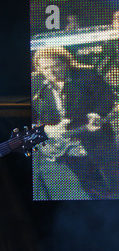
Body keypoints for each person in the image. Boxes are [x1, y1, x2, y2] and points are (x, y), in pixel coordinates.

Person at [32, 46, 119, 200]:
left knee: (114, 181)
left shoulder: (87, 74)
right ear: (39, 69)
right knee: (90, 186)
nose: (51, 72)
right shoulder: (37, 86)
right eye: (45, 68)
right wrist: (46, 134)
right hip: (66, 148)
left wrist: (97, 114)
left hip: (97, 141)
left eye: (55, 66)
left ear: (66, 63)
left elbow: (107, 98)